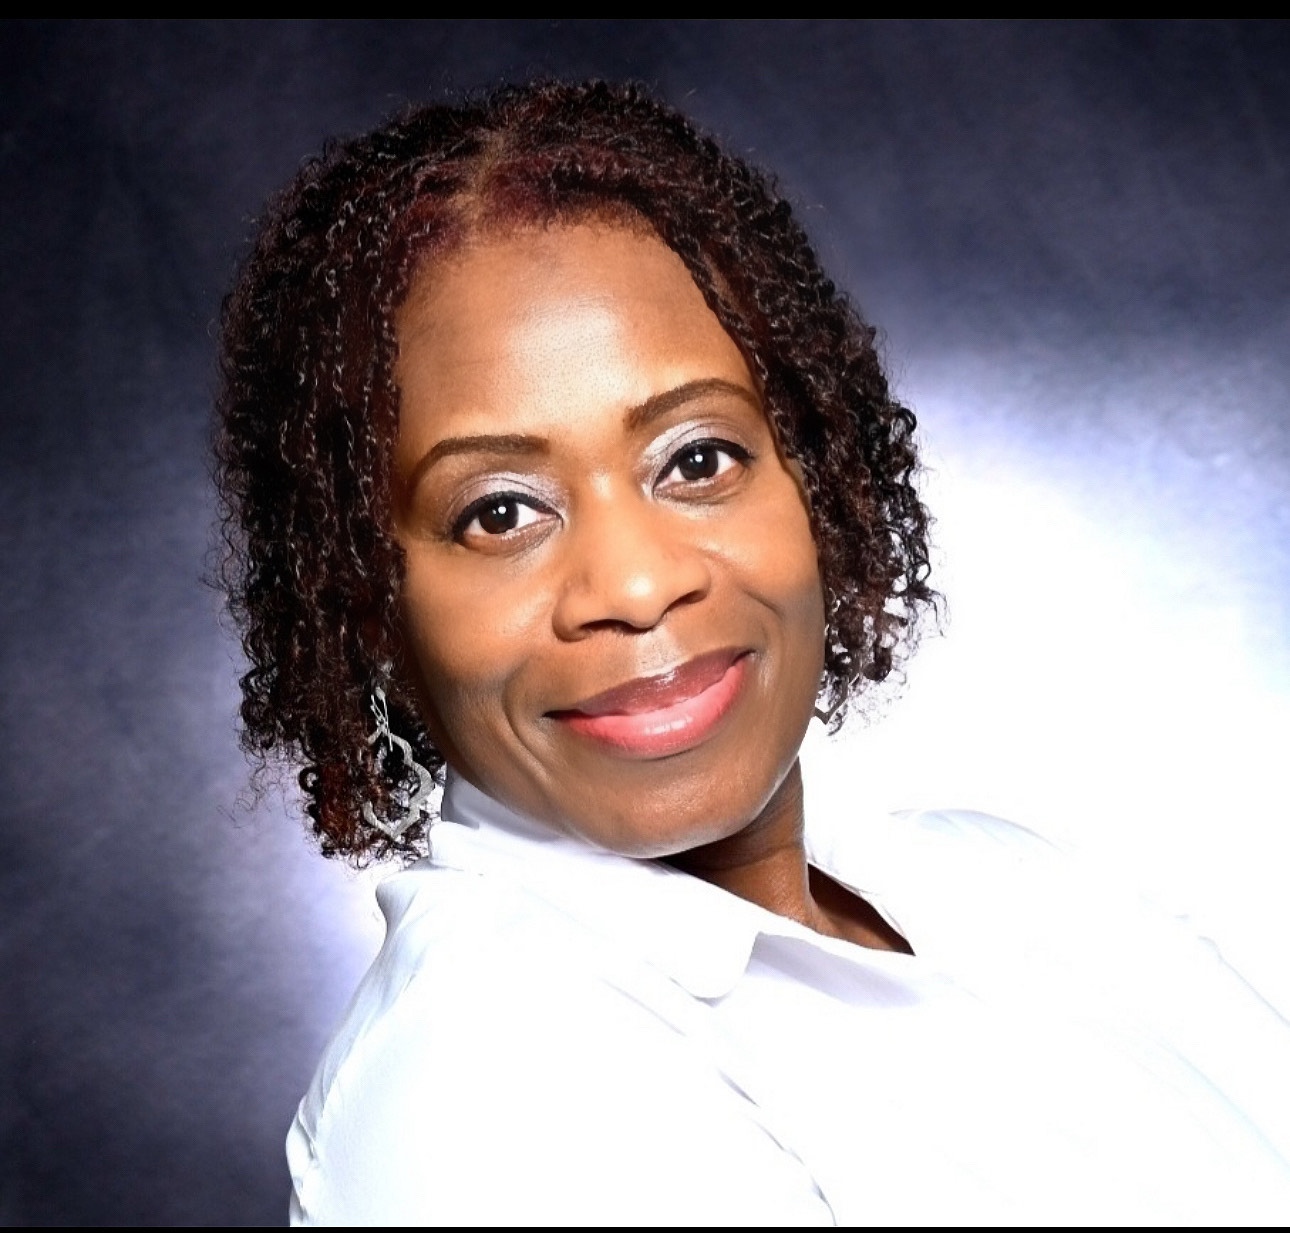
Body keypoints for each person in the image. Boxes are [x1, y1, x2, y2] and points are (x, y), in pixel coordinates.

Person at [216, 81, 1290, 1225]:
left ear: (812, 476)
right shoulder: (494, 1075)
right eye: (499, 512)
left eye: (696, 458)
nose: (636, 584)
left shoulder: (1007, 883)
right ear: (367, 604)